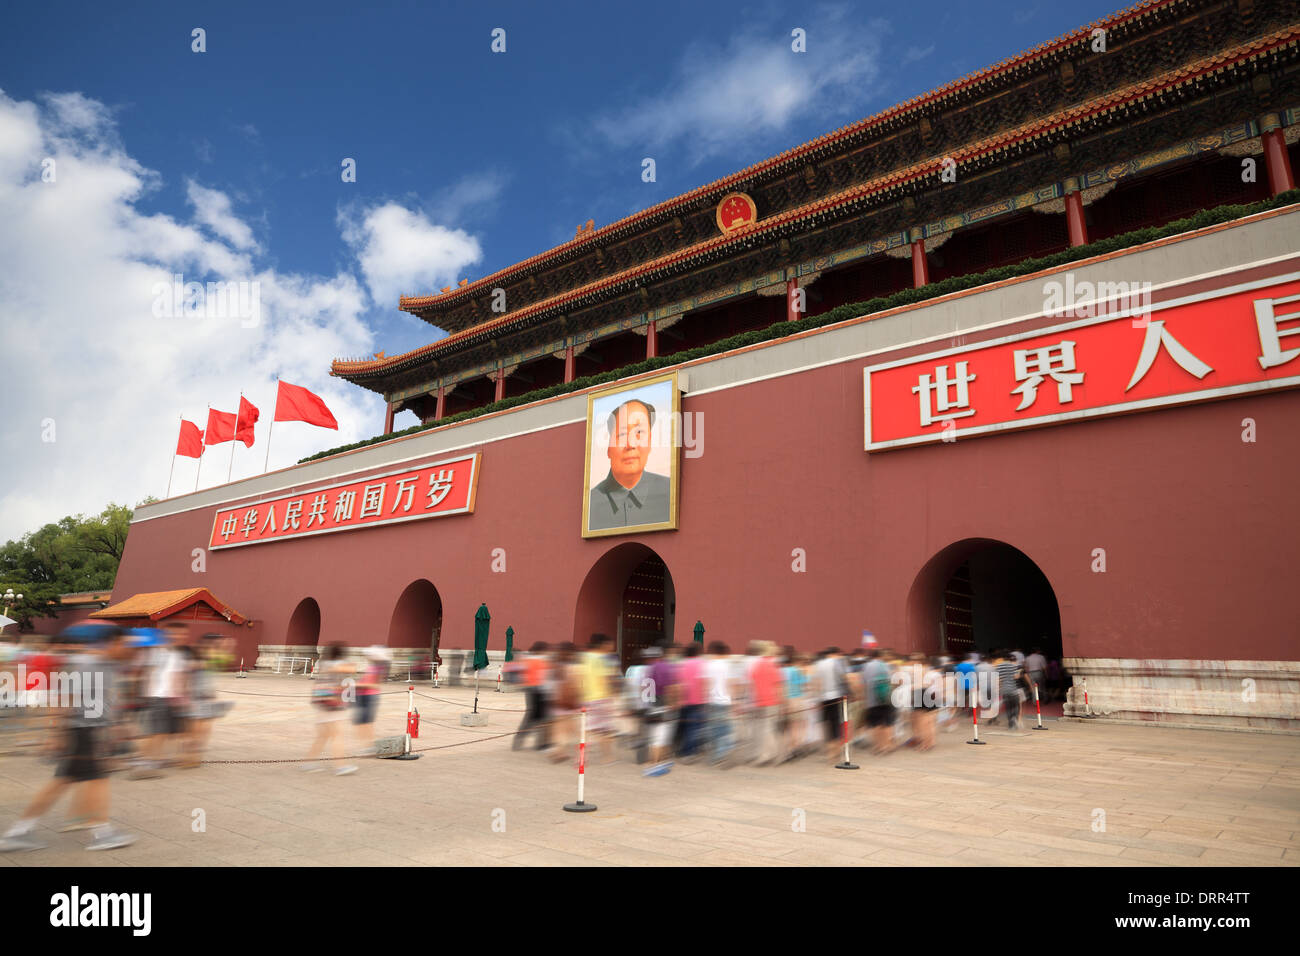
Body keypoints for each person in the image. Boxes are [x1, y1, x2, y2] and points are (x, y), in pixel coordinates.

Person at [0, 624, 137, 852]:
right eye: (125, 644)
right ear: (113, 642)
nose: (129, 649)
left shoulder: (108, 665)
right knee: (96, 780)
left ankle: (19, 832)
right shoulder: (87, 664)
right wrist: (56, 733)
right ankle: (101, 833)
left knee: (64, 781)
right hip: (81, 730)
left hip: (90, 731)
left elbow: (107, 701)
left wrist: (116, 728)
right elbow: (65, 697)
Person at [587, 399, 671, 531]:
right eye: (622, 434)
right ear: (608, 447)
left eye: (639, 432)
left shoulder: (670, 492)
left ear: (649, 442)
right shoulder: (589, 504)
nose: (631, 444)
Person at [303, 643, 356, 775]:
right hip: (331, 705)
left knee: (323, 736)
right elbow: (351, 669)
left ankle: (308, 763)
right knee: (337, 735)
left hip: (322, 704)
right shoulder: (334, 665)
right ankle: (340, 766)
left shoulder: (324, 664)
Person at [643, 644, 681, 776]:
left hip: (651, 705)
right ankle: (654, 765)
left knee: (654, 736)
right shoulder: (664, 667)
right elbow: (670, 688)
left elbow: (643, 689)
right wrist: (673, 703)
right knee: (660, 737)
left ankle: (657, 762)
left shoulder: (649, 669)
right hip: (662, 705)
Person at [513, 642, 550, 752]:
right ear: (541, 650)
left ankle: (520, 740)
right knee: (539, 717)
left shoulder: (527, 659)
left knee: (533, 717)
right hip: (539, 691)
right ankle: (540, 744)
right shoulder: (542, 659)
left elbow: (520, 674)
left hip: (530, 690)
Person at [353, 646, 388, 754]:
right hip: (363, 695)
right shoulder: (372, 667)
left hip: (370, 696)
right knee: (362, 722)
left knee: (366, 722)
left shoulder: (378, 668)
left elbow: (374, 684)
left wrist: (356, 685)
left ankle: (370, 745)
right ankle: (368, 745)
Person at [861, 648, 896, 755]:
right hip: (887, 698)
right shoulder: (887, 665)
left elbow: (863, 683)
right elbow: (893, 682)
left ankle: (878, 747)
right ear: (880, 656)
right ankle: (887, 746)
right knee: (887, 723)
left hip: (872, 700)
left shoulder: (866, 666)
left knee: (876, 724)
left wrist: (864, 698)